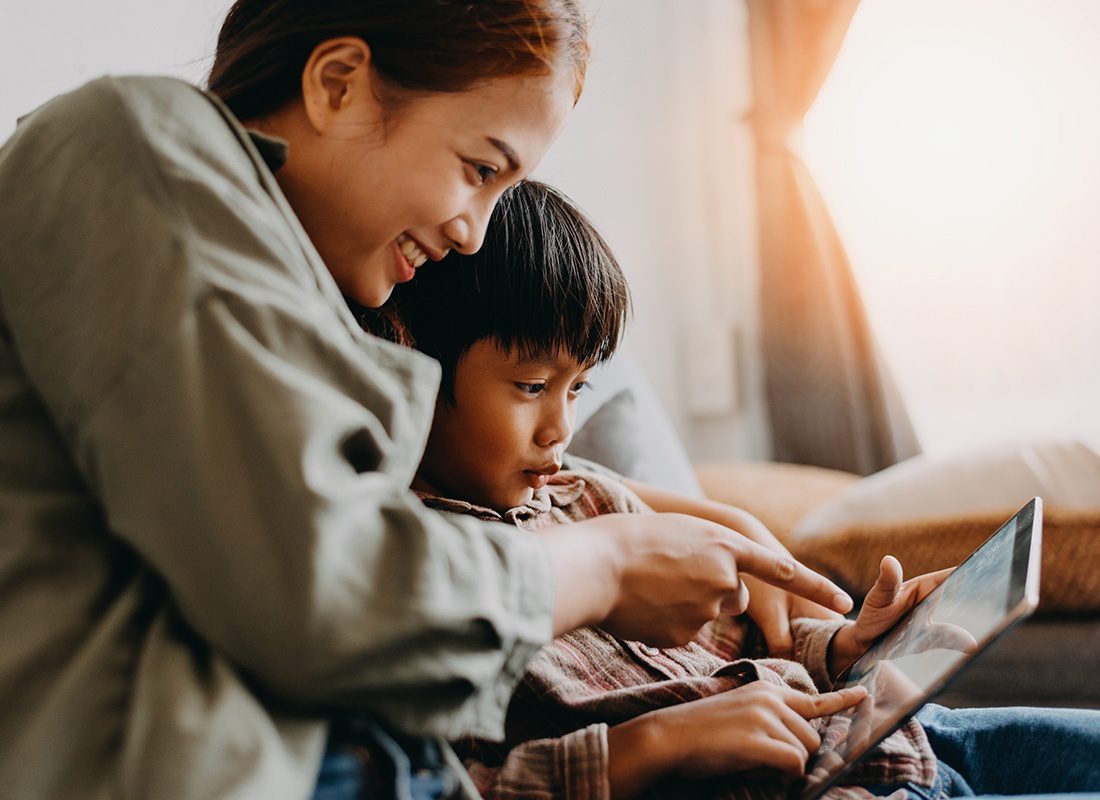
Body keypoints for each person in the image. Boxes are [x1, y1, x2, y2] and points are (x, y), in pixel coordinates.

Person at [0, 3, 855, 799]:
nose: (472, 234)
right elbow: (328, 587)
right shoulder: (128, 146)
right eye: (479, 169)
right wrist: (607, 563)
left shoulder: (300, 298)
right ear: (336, 83)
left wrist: (676, 522)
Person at [390, 180, 1100, 799]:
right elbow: (459, 785)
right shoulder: (415, 577)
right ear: (410, 365)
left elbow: (736, 637)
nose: (561, 428)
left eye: (577, 388)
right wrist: (650, 745)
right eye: (531, 387)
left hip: (905, 740)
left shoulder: (587, 496)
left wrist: (849, 645)